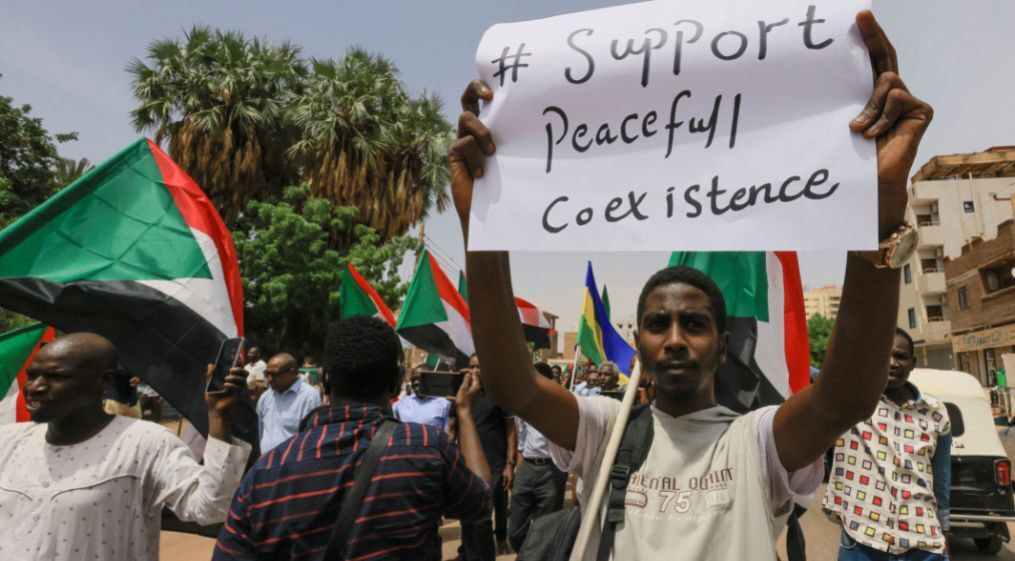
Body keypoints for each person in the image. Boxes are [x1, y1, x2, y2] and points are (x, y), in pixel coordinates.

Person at [448, 10, 933, 560]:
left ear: (723, 345)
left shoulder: (759, 442)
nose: (675, 338)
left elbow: (844, 399)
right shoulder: (605, 430)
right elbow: (513, 387)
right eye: (658, 324)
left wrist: (881, 201)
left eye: (695, 324)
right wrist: (480, 226)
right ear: (638, 344)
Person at [213, 316, 492, 560]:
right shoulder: (427, 449)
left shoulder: (265, 473)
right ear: (396, 381)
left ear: (326, 379)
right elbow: (480, 502)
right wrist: (465, 413)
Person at [0, 332, 251, 561]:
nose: (35, 387)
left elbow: (211, 508)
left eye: (55, 376)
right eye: (32, 375)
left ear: (103, 381)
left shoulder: (145, 443)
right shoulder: (9, 440)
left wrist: (218, 416)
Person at [823, 328, 952, 560]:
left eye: (901, 356)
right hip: (862, 540)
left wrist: (944, 533)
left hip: (922, 543)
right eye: (884, 355)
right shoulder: (850, 400)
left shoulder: (935, 412)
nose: (893, 363)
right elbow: (811, 370)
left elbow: (941, 481)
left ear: (912, 363)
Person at [449, 354, 518, 560]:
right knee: (467, 517)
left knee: (482, 519)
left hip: (493, 465)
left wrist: (509, 464)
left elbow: (511, 431)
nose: (475, 370)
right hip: (465, 466)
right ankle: (469, 554)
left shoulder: (499, 395)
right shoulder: (462, 396)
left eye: (479, 366)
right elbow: (452, 430)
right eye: (472, 366)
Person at [508, 362, 569, 552]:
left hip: (551, 471)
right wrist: (518, 468)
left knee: (545, 530)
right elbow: (521, 439)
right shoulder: (524, 405)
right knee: (515, 532)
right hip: (526, 468)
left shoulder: (562, 406)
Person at [256, 352, 321, 453]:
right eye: (267, 374)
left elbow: (310, 437)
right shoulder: (266, 397)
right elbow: (259, 430)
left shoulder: (309, 397)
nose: (269, 379)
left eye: (274, 374)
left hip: (292, 461)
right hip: (265, 460)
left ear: (291, 372)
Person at [393, 364, 453, 430]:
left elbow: (448, 433)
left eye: (419, 378)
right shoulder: (402, 403)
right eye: (413, 380)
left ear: (430, 379)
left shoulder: (445, 404)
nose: (415, 382)